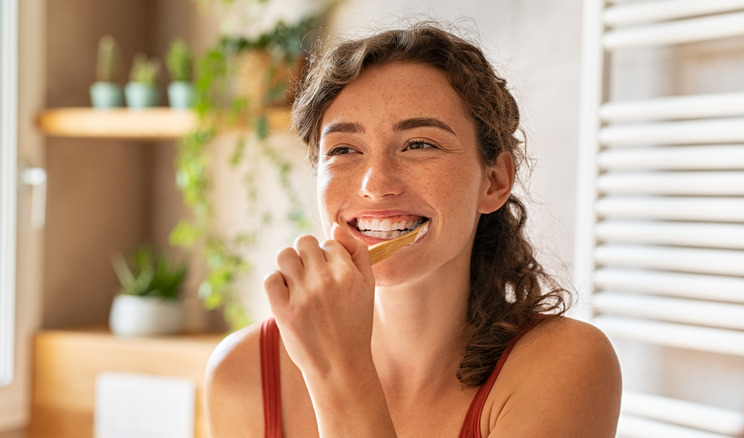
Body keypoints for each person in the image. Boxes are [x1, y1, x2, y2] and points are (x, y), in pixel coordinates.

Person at [205, 22, 622, 437]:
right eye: (344, 149)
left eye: (420, 144)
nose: (375, 184)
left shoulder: (565, 366)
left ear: (494, 181)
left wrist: (339, 370)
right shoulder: (244, 373)